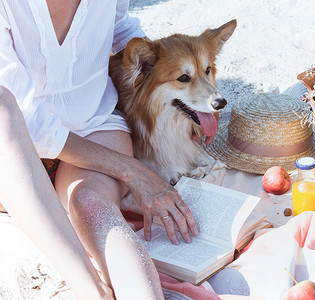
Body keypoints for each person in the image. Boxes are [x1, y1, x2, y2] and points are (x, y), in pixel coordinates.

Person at [0, 0, 198, 299]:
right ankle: (92, 291)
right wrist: (133, 171)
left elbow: (120, 28)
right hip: (13, 141)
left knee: (93, 207)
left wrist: (183, 92)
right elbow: (34, 126)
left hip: (93, 120)